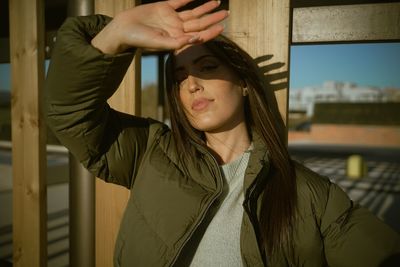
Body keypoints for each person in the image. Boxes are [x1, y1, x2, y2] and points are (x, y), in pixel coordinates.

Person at [45, 0, 400, 266]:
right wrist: (114, 35)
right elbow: (70, 113)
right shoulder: (149, 152)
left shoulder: (313, 196)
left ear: (244, 83)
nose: (192, 85)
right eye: (180, 77)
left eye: (207, 67)